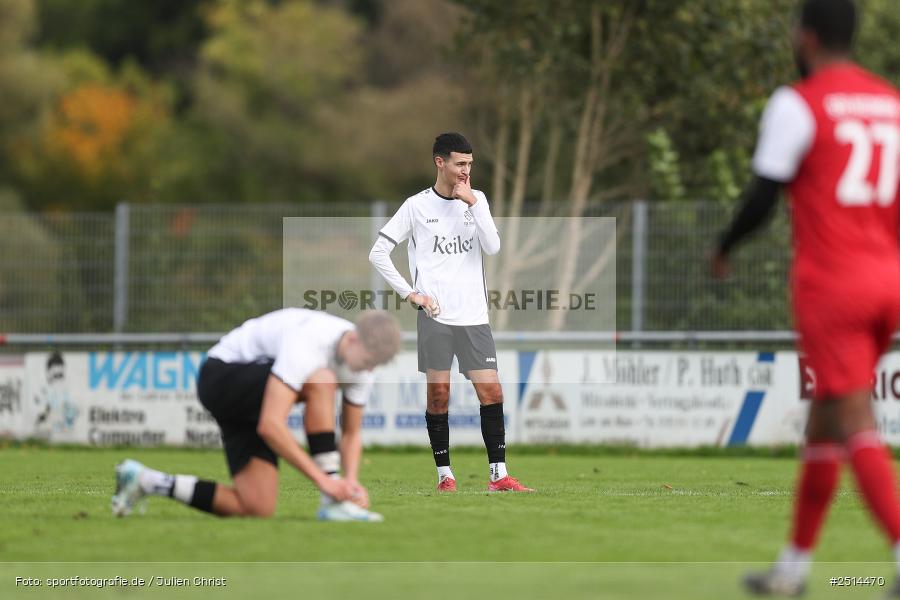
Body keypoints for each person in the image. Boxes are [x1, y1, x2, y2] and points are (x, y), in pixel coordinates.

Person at [712, 0, 900, 595]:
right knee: (825, 423)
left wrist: (724, 246)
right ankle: (792, 570)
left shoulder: (799, 101)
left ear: (807, 37)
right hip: (889, 279)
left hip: (834, 285)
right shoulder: (891, 104)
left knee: (852, 418)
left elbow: (765, 194)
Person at [111, 309, 402, 521]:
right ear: (352, 339)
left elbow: (352, 433)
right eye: (366, 362)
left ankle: (145, 481)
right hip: (220, 376)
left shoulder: (362, 366)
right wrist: (326, 482)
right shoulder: (310, 340)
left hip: (253, 400)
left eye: (374, 366)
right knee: (322, 380)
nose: (368, 371)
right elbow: (271, 426)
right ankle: (331, 503)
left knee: (256, 507)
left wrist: (349, 484)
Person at [369, 132, 533, 493]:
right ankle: (446, 476)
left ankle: (499, 476)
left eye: (470, 164)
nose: (465, 171)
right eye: (460, 163)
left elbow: (493, 247)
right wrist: (412, 295)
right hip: (435, 319)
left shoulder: (477, 200)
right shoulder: (416, 206)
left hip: (474, 318)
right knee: (439, 396)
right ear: (439, 162)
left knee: (491, 393)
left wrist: (473, 202)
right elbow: (378, 253)